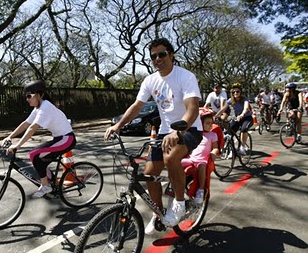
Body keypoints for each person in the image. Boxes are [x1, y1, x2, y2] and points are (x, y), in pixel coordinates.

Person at [104, 37, 203, 233]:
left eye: (162, 54)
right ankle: (158, 213)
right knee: (149, 173)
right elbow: (137, 106)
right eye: (153, 56)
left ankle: (180, 203)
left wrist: (178, 131)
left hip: (190, 129)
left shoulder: (186, 77)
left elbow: (193, 109)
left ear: (171, 55)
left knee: (171, 157)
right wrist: (119, 125)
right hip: (165, 133)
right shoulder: (150, 80)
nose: (158, 59)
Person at [2, 80, 76, 198]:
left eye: (29, 96)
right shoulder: (38, 107)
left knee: (34, 153)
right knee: (35, 157)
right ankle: (52, 183)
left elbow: (32, 128)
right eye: (26, 96)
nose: (27, 99)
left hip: (66, 139)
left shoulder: (45, 107)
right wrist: (10, 136)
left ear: (39, 95)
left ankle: (46, 186)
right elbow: (26, 123)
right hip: (59, 138)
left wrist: (17, 145)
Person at [181, 108, 219, 204]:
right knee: (177, 164)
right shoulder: (195, 134)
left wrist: (214, 152)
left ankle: (201, 190)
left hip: (203, 160)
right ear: (201, 124)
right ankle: (178, 185)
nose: (211, 125)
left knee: (202, 168)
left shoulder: (213, 135)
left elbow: (215, 147)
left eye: (211, 123)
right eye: (207, 123)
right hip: (191, 158)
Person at [215, 83, 253, 155]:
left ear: (240, 92)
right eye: (233, 92)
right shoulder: (231, 100)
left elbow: (246, 108)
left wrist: (242, 114)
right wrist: (216, 116)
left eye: (237, 91)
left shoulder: (245, 99)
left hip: (247, 118)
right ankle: (231, 150)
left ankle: (242, 147)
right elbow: (223, 109)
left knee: (243, 129)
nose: (235, 93)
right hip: (238, 118)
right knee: (229, 132)